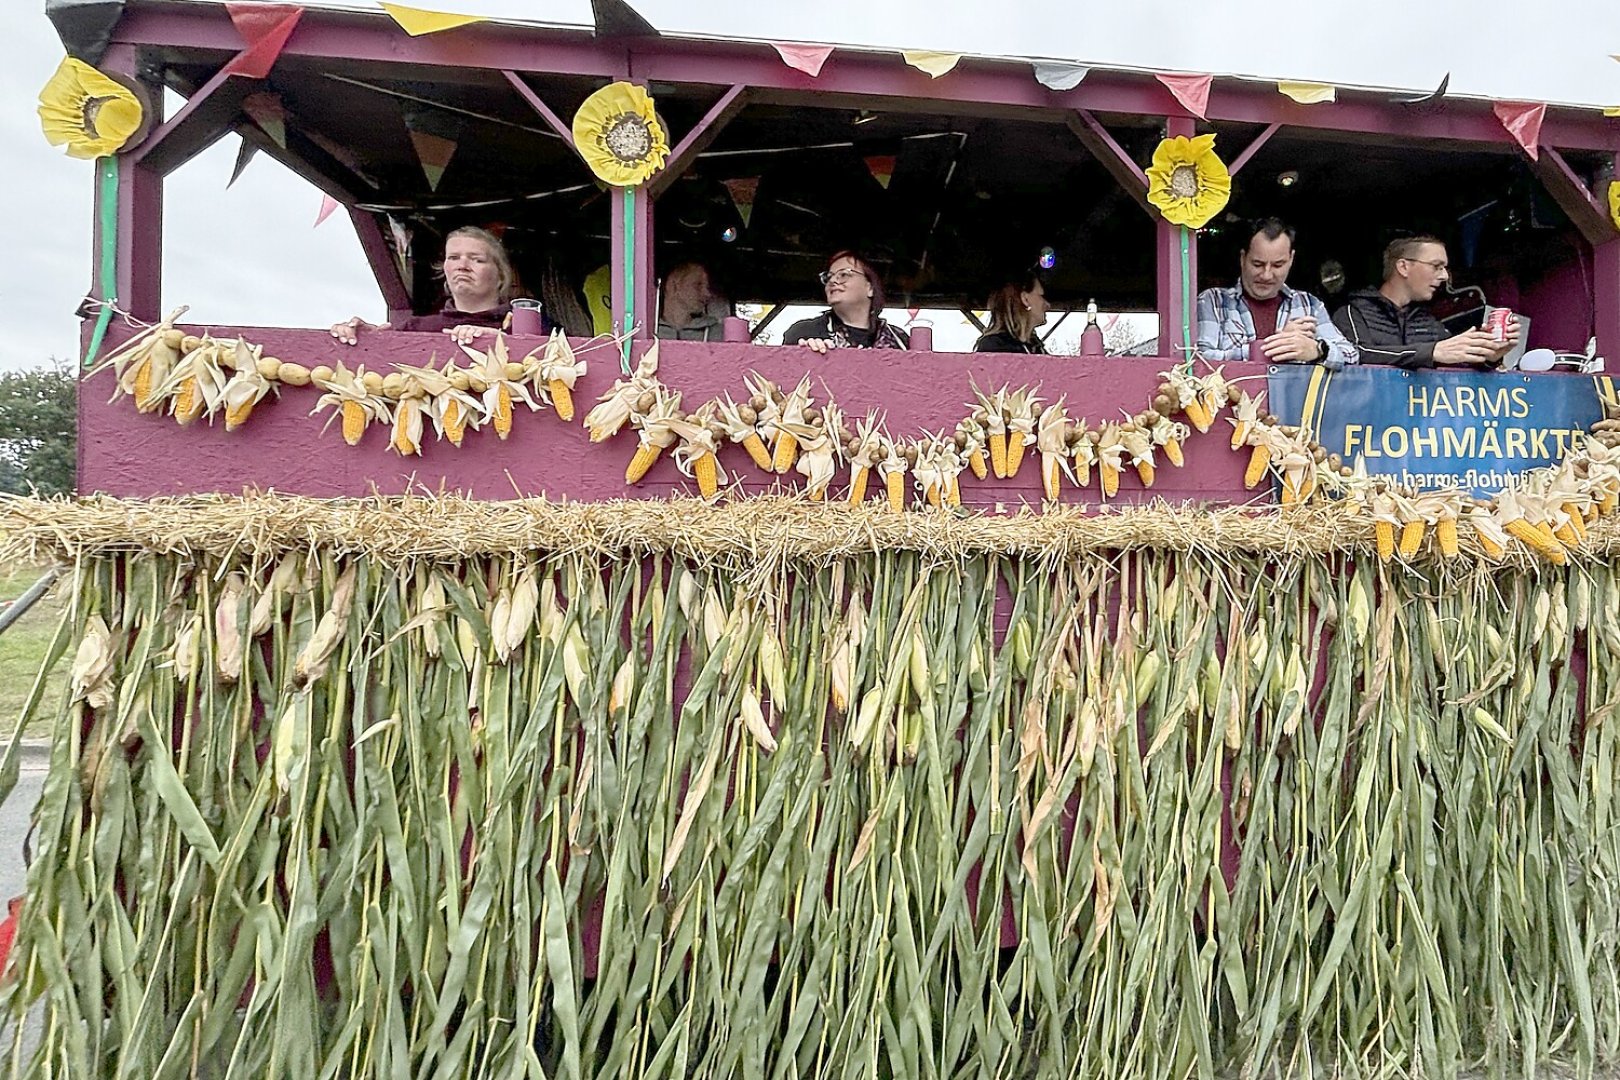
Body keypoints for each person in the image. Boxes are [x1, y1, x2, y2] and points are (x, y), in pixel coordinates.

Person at [1331, 236, 1520, 368]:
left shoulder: (1428, 321)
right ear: (1403, 267)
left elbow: (1456, 359)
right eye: (1436, 266)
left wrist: (1489, 355)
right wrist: (1430, 353)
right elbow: (1356, 355)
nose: (1445, 276)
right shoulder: (1352, 312)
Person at [1195, 217, 1358, 369]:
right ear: (1243, 258)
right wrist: (1273, 347)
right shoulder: (1213, 301)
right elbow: (1199, 360)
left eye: (1277, 265)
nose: (1266, 274)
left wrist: (1317, 350)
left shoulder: (1309, 304)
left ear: (1291, 260)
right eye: (1258, 264)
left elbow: (1351, 357)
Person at [329, 226, 533, 347]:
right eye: (453, 258)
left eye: (476, 259)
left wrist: (509, 344)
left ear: (500, 275)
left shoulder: (531, 326)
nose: (462, 266)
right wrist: (365, 339)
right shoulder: (415, 329)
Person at [781, 251, 910, 353]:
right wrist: (805, 356)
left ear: (870, 288)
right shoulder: (804, 333)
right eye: (829, 277)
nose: (832, 281)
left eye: (844, 275)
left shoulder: (900, 340)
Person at [973, 271, 1050, 353]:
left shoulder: (1036, 347)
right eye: (1041, 296)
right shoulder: (994, 346)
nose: (1047, 305)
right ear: (1025, 299)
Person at [656, 262, 730, 341]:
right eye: (698, 285)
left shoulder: (719, 333)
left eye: (707, 287)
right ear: (673, 286)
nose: (707, 294)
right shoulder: (647, 331)